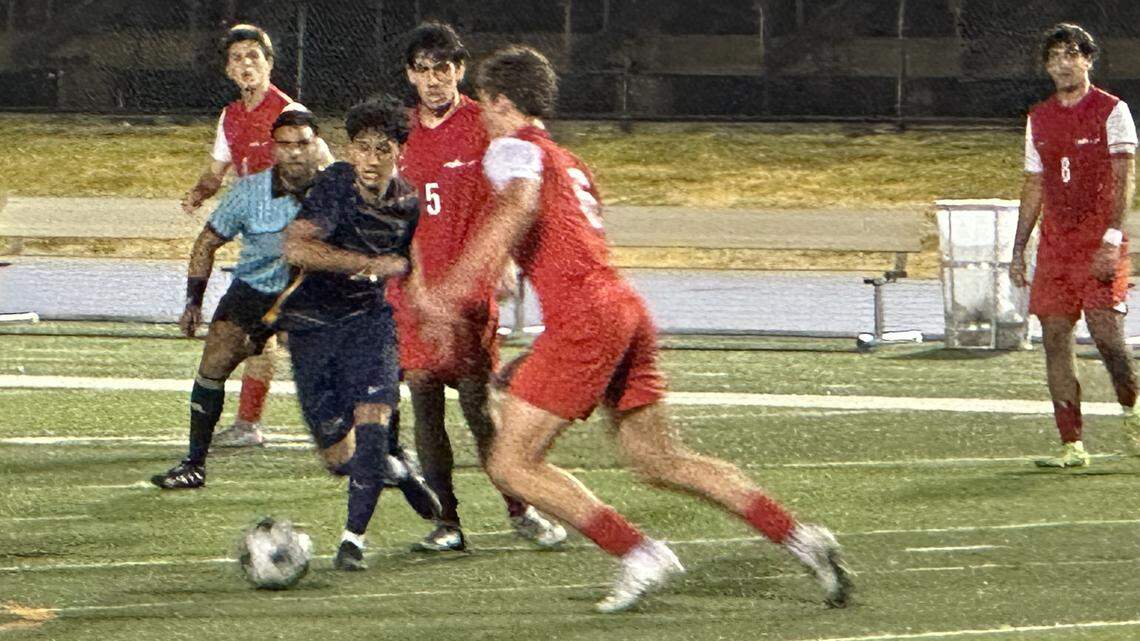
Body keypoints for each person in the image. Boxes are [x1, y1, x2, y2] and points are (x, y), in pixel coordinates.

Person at [410, 45, 852, 613]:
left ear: (499, 101)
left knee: (510, 464)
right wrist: (510, 268)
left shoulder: (509, 148)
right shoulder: (568, 160)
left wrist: (453, 289)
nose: (482, 116)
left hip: (586, 318)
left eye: (487, 105)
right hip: (624, 307)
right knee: (660, 461)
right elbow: (559, 229)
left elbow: (517, 206)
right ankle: (801, 538)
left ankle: (639, 552)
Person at [391, 21, 564, 552]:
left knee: (476, 407)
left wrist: (509, 257)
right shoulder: (400, 132)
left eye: (442, 68)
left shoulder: (483, 122)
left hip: (471, 290)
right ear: (409, 75)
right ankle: (448, 524)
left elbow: (519, 191)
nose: (433, 79)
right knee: (423, 400)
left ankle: (520, 505)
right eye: (422, 69)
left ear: (459, 70)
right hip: (417, 289)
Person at [279, 97, 441, 571]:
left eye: (383, 149)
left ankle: (353, 540)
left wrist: (427, 304)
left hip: (369, 326)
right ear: (350, 150)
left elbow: (412, 257)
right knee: (338, 457)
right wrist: (368, 265)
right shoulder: (333, 187)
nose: (371, 160)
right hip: (313, 327)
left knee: (373, 429)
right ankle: (396, 469)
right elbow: (296, 246)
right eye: (362, 148)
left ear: (399, 153)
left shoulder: (408, 200)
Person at [150, 108, 322, 489]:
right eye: (286, 145)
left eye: (303, 144)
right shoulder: (247, 192)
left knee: (352, 367)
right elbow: (206, 244)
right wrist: (192, 301)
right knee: (214, 358)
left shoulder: (338, 190)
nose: (295, 152)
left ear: (317, 148)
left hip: (318, 294)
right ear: (274, 149)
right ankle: (195, 462)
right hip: (255, 290)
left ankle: (382, 455)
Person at [181, 24, 331, 448]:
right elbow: (216, 172)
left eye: (253, 56)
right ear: (228, 70)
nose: (245, 65)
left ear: (269, 63)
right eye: (237, 58)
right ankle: (249, 424)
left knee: (300, 336)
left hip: (296, 245)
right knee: (256, 335)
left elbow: (329, 172)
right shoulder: (230, 116)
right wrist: (198, 193)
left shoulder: (289, 112)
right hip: (260, 243)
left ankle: (358, 424)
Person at [1011, 23, 1140, 468]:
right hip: (1055, 248)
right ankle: (1072, 444)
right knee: (1054, 338)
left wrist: (1111, 240)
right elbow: (1034, 184)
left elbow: (1125, 181)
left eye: (1071, 54)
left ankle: (1133, 411)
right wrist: (1018, 248)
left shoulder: (1112, 111)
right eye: (1054, 57)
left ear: (1088, 59)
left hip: (1099, 243)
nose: (1062, 64)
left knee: (1108, 340)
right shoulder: (1038, 117)